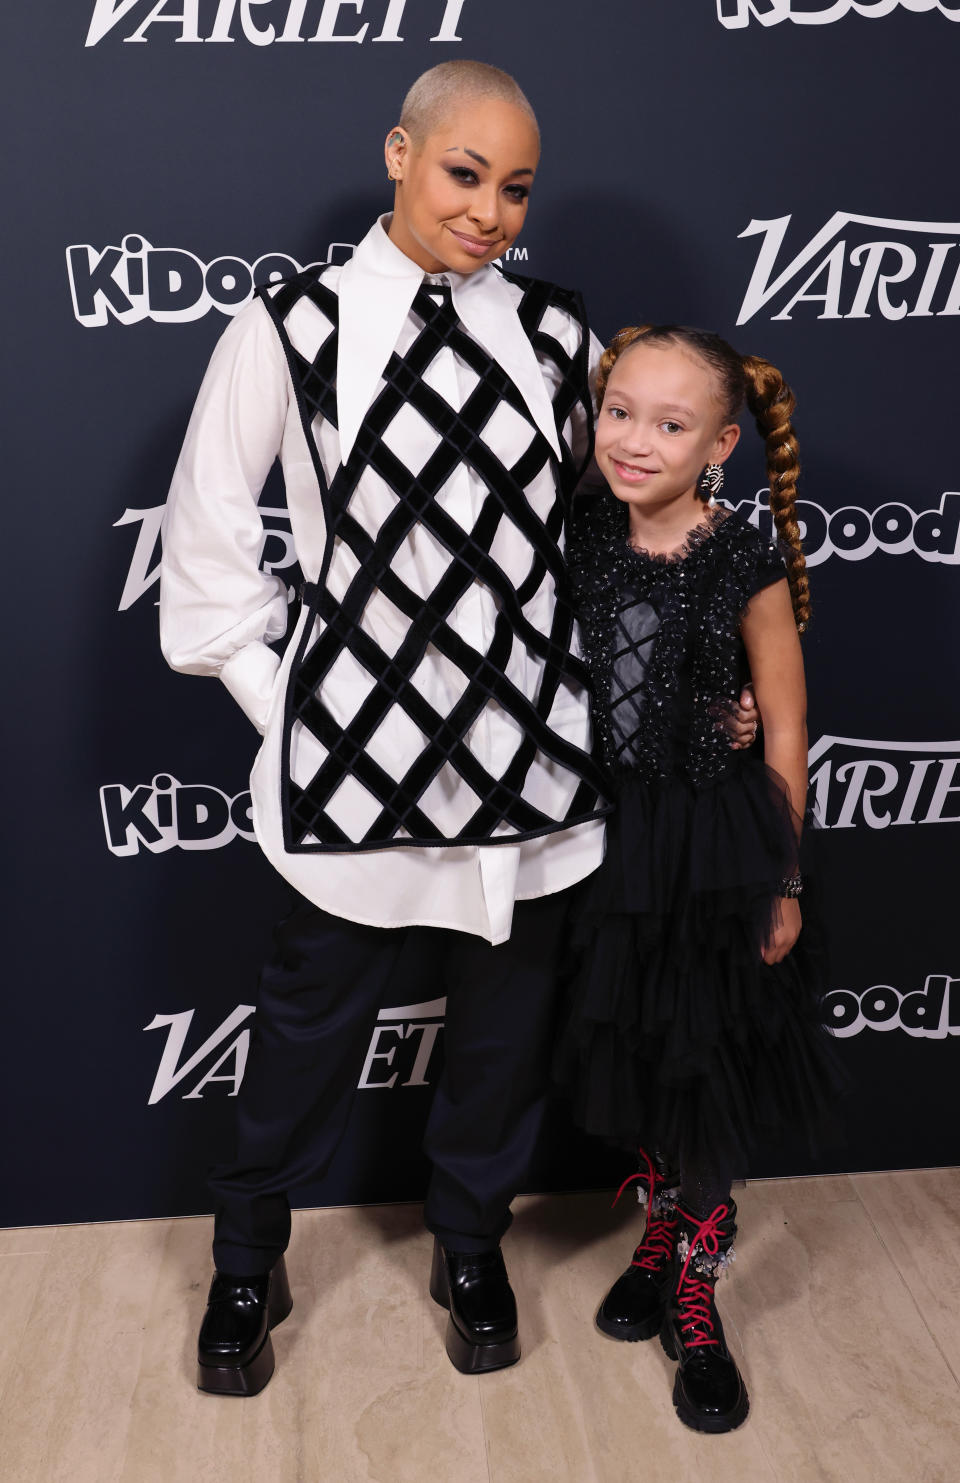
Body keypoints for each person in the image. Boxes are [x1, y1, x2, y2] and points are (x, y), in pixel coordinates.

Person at [159, 61, 758, 1396]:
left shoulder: (558, 333)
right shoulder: (289, 326)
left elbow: (610, 530)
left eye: (518, 187)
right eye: (465, 173)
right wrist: (299, 715)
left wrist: (704, 655)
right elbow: (204, 558)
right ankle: (249, 1253)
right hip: (348, 769)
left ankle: (469, 1236)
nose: (492, 210)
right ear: (399, 153)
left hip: (532, 758)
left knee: (505, 1030)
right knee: (305, 1030)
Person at [554, 325, 841, 1434]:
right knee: (636, 1050)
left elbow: (786, 722)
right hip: (601, 839)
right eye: (619, 411)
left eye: (671, 425)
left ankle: (698, 1287)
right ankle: (659, 1229)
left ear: (720, 442)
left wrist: (783, 877)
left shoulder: (742, 559)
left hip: (712, 845)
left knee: (704, 1056)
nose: (635, 440)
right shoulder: (577, 526)